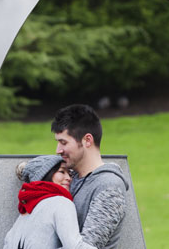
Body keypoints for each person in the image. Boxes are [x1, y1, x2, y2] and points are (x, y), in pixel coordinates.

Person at [51, 104, 129, 249]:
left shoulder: (108, 186)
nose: (58, 150)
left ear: (87, 140)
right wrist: (22, 168)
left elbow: (86, 246)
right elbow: (34, 168)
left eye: (63, 142)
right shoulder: (69, 175)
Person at [3, 155, 97, 249]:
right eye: (62, 171)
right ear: (45, 174)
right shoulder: (61, 203)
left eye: (69, 174)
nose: (69, 178)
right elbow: (75, 247)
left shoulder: (25, 213)